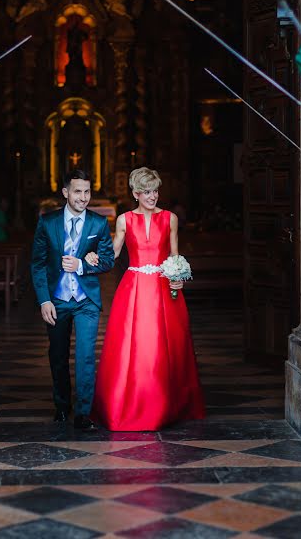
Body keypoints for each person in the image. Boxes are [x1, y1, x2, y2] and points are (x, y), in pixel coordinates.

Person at [89, 167, 205, 431]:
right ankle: (130, 405)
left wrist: (179, 276)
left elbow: (174, 256)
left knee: (164, 346)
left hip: (164, 288)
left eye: (155, 190)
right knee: (136, 346)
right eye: (146, 191)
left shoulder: (170, 218)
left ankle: (165, 406)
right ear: (136, 193)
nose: (153, 196)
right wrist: (95, 258)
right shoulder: (124, 220)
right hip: (134, 288)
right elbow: (114, 253)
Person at [30, 169, 114, 430]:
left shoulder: (98, 224)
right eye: (78, 191)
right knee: (58, 354)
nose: (83, 197)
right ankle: (62, 406)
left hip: (86, 300)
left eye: (87, 191)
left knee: (86, 355)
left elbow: (108, 261)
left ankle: (83, 413)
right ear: (66, 192)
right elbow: (38, 264)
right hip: (57, 300)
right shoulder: (47, 222)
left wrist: (82, 265)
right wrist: (44, 300)